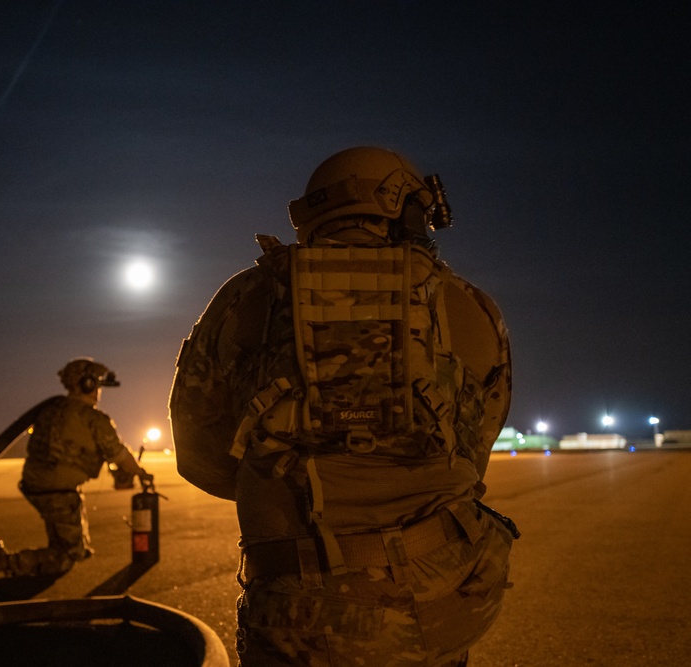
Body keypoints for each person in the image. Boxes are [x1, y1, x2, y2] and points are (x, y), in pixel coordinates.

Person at [170, 147, 517, 666]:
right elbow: (475, 452)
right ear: (403, 207)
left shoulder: (245, 298)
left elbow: (200, 454)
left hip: (297, 608)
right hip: (441, 595)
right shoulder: (468, 304)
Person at [0, 357, 152, 584]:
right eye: (95, 382)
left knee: (62, 538)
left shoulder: (52, 410)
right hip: (58, 491)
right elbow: (119, 454)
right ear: (86, 384)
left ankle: (40, 559)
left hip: (36, 485)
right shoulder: (92, 418)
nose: (97, 389)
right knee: (68, 556)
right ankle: (8, 562)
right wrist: (140, 472)